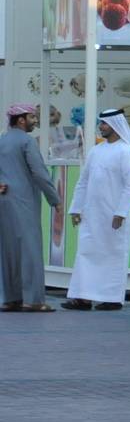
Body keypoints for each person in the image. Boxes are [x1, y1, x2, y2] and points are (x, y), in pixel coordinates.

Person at [61, 109, 130, 312]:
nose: (101, 127)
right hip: (91, 214)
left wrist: (120, 212)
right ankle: (83, 298)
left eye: (104, 124)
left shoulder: (125, 152)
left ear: (114, 126)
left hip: (114, 215)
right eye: (101, 124)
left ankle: (112, 298)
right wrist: (76, 208)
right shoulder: (96, 151)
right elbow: (83, 181)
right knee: (86, 253)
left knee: (113, 255)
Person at [0, 104, 63, 313]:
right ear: (21, 120)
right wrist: (55, 200)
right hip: (23, 201)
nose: (35, 121)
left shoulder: (2, 140)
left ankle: (10, 299)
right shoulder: (27, 141)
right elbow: (40, 173)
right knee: (30, 249)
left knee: (7, 250)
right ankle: (33, 300)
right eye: (33, 117)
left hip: (4, 200)